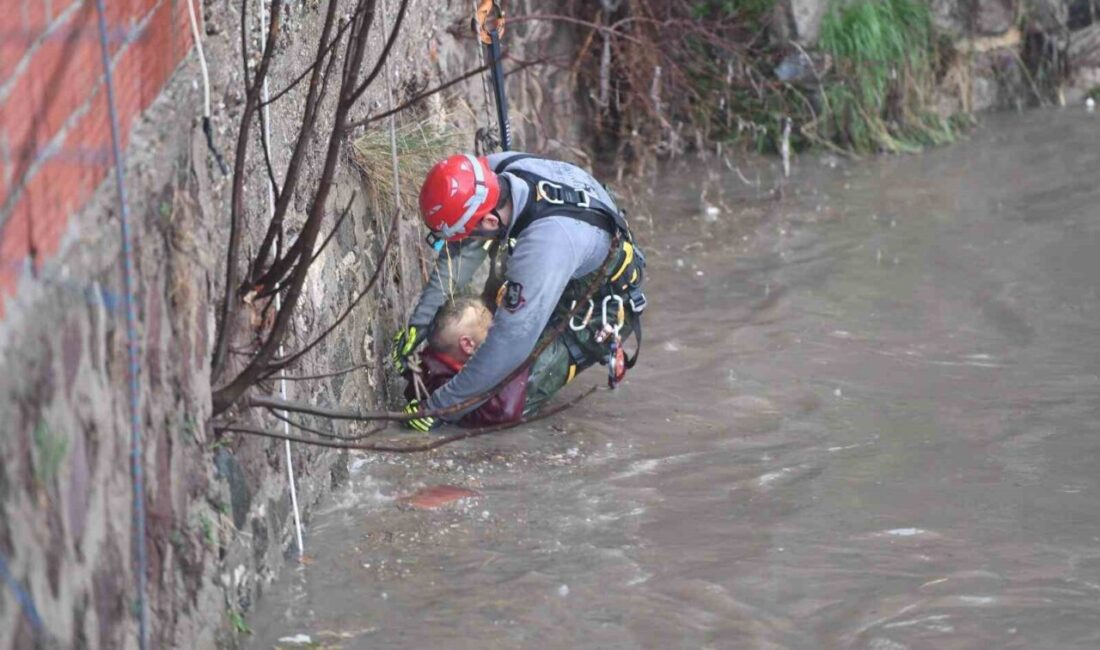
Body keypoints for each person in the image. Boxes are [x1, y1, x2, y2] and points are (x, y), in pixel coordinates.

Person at [392, 152, 647, 431]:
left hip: (595, 302)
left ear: (490, 221)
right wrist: (421, 321)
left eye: (468, 233)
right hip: (569, 252)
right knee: (492, 307)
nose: (465, 241)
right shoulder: (492, 172)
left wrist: (441, 409)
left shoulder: (544, 247)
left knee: (504, 401)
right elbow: (464, 250)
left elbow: (510, 343)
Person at [403, 295, 573, 428]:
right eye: (487, 323)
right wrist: (515, 347)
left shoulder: (432, 362)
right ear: (468, 344)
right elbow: (507, 411)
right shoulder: (442, 383)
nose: (495, 323)